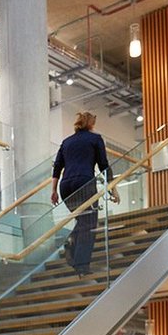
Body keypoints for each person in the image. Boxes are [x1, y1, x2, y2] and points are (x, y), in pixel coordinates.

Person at [50, 111, 119, 275]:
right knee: (89, 224)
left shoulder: (66, 142)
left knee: (82, 220)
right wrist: (113, 189)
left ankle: (72, 243)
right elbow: (103, 165)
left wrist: (53, 191)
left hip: (65, 186)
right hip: (84, 183)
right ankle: (82, 266)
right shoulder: (95, 139)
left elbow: (57, 167)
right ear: (91, 124)